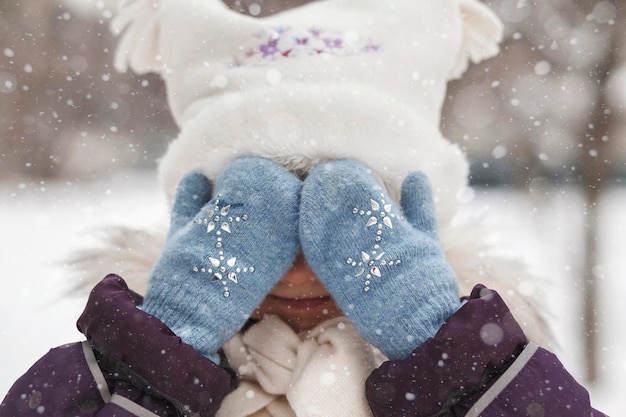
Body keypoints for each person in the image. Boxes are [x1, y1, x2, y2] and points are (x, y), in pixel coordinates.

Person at [0, 0, 607, 416]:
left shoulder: (499, 358)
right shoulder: (108, 370)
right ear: (198, 218)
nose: (297, 266)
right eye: (255, 218)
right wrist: (158, 353)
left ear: (408, 217)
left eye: (346, 217)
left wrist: (448, 356)